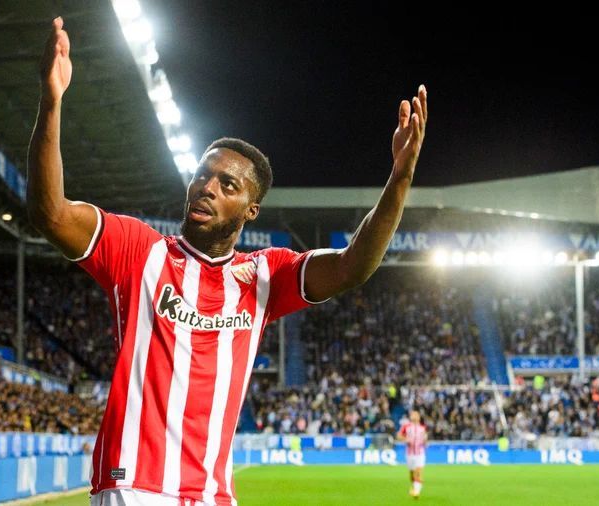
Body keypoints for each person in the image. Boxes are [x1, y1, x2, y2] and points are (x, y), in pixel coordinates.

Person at [27, 16, 428, 506]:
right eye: (203, 175)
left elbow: (353, 266)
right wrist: (52, 103)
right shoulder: (140, 251)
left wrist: (401, 178)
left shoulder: (264, 276)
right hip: (134, 487)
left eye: (227, 185)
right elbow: (50, 213)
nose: (207, 187)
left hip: (215, 496)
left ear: (250, 210)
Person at [397, 410, 428, 499]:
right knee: (412, 474)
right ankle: (415, 487)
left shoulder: (423, 428)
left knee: (418, 472)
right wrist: (405, 439)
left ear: (419, 417)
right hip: (409, 454)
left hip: (420, 453)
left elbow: (425, 440)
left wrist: (425, 441)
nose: (414, 416)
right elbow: (399, 436)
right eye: (412, 414)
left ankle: (416, 492)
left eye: (416, 414)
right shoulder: (406, 427)